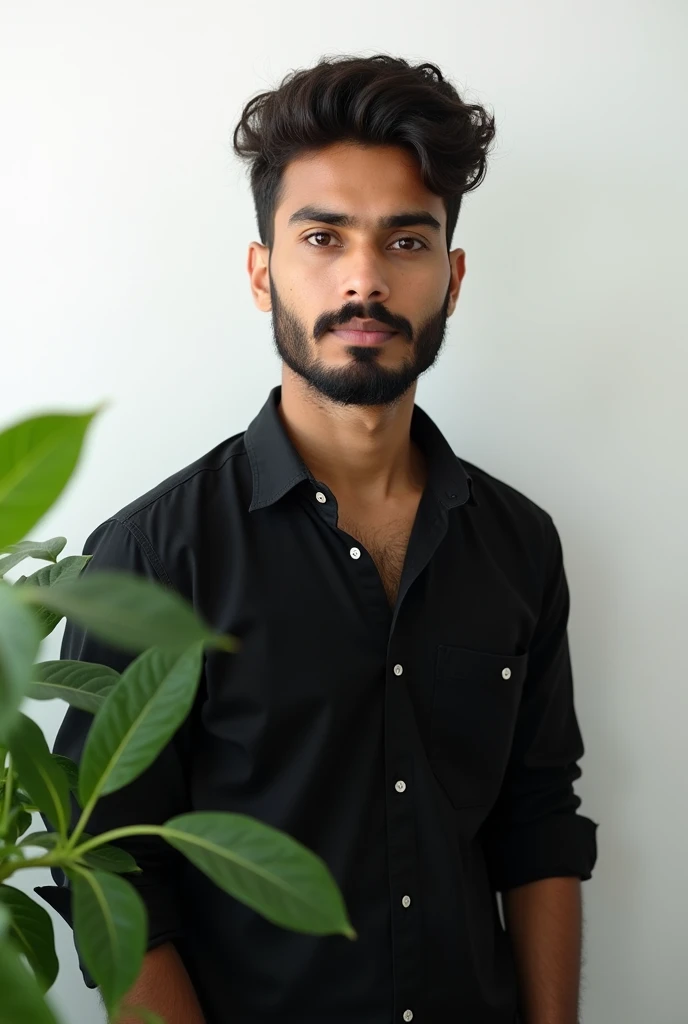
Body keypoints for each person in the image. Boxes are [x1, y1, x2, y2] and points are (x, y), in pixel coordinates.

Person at [40, 53, 598, 1024]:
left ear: (452, 278)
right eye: (322, 237)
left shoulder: (519, 545)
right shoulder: (153, 557)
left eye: (406, 241)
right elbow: (111, 878)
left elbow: (537, 821)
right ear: (263, 273)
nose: (364, 279)